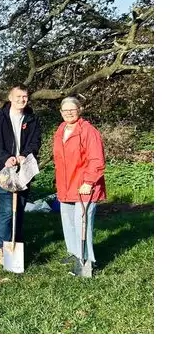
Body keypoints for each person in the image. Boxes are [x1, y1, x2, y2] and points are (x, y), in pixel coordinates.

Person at [0, 85, 42, 265]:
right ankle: (3, 247)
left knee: (20, 209)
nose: (22, 100)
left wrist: (25, 154)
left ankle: (17, 244)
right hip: (4, 169)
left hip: (24, 169)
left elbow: (35, 141)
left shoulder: (32, 119)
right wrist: (5, 158)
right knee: (7, 210)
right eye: (18, 96)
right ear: (10, 98)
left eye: (25, 96)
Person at [52, 96, 106, 274]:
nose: (68, 113)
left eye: (72, 109)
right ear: (60, 112)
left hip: (84, 185)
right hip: (66, 185)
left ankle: (87, 260)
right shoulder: (61, 130)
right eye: (65, 110)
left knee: (82, 223)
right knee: (68, 221)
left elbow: (96, 159)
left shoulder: (88, 131)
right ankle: (75, 253)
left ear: (80, 110)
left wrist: (89, 182)